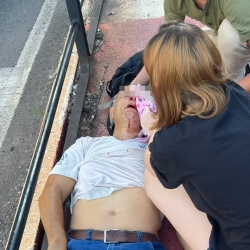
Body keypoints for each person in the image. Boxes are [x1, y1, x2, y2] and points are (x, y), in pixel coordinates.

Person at [141, 22, 250, 250]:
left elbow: (152, 164)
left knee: (155, 179)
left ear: (158, 82)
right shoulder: (234, 92)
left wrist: (153, 131)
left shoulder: (170, 143)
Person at [38, 90, 166, 250]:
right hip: (82, 244)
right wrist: (56, 241)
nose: (134, 98)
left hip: (141, 245)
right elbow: (52, 190)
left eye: (142, 98)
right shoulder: (85, 145)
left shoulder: (158, 148)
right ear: (111, 112)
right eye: (126, 96)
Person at [131, 0, 250, 87]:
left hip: (239, 31)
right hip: (221, 32)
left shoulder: (236, 3)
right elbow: (165, 46)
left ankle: (232, 81)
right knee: (186, 42)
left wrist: (236, 93)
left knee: (231, 35)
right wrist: (132, 88)